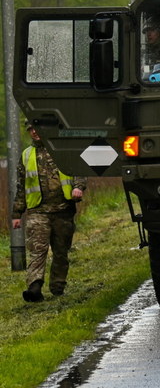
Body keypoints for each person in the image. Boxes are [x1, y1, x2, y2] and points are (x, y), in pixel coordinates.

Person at [12, 122, 86, 302]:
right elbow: (21, 187)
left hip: (63, 211)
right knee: (37, 249)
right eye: (31, 129)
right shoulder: (26, 155)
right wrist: (17, 213)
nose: (35, 132)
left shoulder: (62, 149)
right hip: (38, 211)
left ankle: (57, 286)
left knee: (61, 252)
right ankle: (34, 287)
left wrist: (79, 187)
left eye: (38, 127)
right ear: (29, 132)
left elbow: (78, 171)